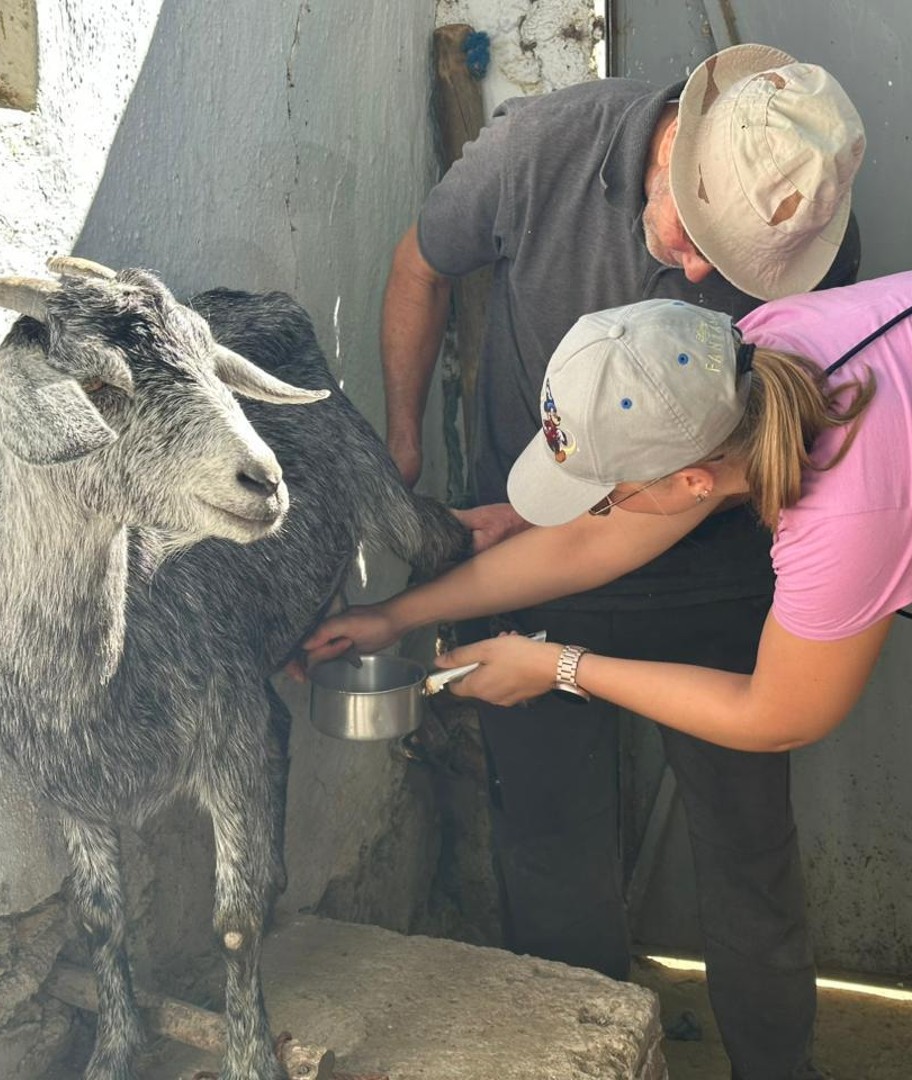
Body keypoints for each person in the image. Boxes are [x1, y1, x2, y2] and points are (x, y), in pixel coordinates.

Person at [363, 41, 865, 1080]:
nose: (696, 275)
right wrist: (401, 454)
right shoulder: (540, 149)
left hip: (716, 578)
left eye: (729, 272)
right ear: (674, 144)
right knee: (550, 851)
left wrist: (537, 646)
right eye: (695, 238)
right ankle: (582, 1060)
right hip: (543, 540)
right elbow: (420, 265)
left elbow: (681, 520)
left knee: (749, 861)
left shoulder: (812, 246)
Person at [305, 272, 912, 1075]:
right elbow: (591, 542)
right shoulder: (755, 360)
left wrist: (559, 666)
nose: (597, 506)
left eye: (608, 489)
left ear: (694, 486)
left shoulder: (846, 505)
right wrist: (396, 614)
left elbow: (780, 712)